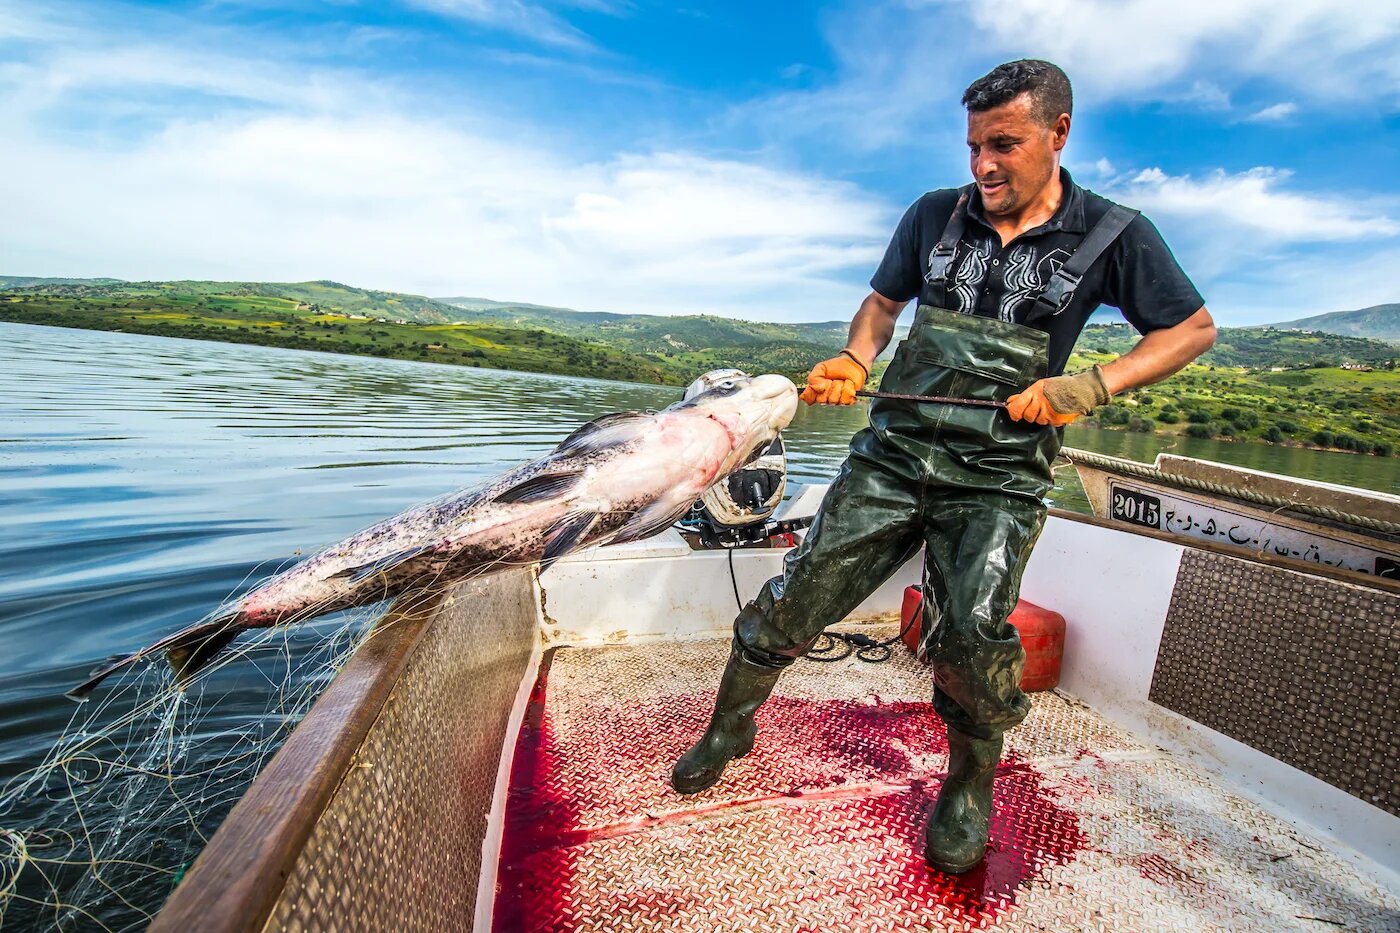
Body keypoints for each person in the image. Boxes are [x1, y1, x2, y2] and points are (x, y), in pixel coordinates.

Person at [669, 59, 1217, 874]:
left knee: (971, 632)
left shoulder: (1113, 232)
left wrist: (1090, 383)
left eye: (1005, 144)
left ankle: (967, 784)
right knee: (803, 590)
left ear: (1059, 134)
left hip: (997, 474)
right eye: (973, 147)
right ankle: (731, 723)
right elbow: (884, 305)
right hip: (894, 453)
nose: (984, 166)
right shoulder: (933, 214)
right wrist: (856, 358)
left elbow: (1192, 328)